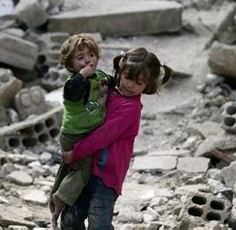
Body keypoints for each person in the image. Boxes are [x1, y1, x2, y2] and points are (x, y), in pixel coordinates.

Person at [59, 47, 173, 229]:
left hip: (107, 174)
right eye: (127, 77)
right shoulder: (111, 90)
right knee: (71, 216)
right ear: (120, 71)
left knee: (99, 221)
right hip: (86, 166)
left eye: (139, 83)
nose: (130, 85)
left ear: (147, 85)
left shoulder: (131, 109)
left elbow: (103, 136)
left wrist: (75, 152)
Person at [49, 33, 114, 228]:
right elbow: (72, 92)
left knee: (76, 169)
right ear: (70, 65)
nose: (87, 60)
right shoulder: (73, 83)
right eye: (80, 58)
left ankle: (64, 195)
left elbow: (114, 84)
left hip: (88, 134)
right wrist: (82, 75)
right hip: (74, 135)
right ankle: (61, 198)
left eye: (91, 55)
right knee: (81, 171)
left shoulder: (101, 77)